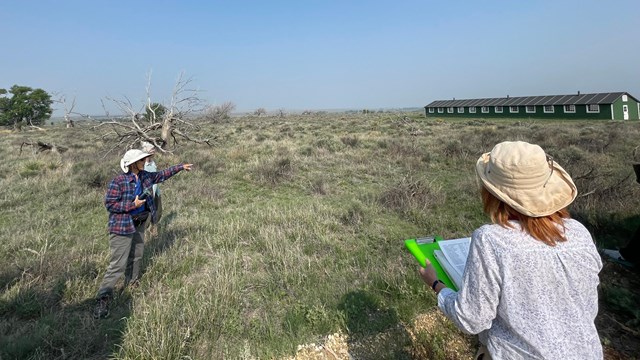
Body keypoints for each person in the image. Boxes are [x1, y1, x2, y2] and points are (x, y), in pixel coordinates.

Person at [418, 141, 603, 359]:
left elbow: (471, 319)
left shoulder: (491, 240)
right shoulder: (578, 232)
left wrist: (436, 284)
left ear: (493, 194)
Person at [93, 149, 193, 319]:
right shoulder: (118, 181)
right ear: (132, 164)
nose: (145, 162)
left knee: (137, 256)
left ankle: (132, 284)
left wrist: (180, 167)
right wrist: (132, 204)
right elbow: (110, 204)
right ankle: (103, 298)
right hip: (122, 226)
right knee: (118, 264)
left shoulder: (146, 176)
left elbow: (162, 175)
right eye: (141, 160)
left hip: (139, 223)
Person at [140, 141, 162, 231]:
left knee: (158, 212)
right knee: (148, 214)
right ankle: (144, 231)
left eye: (154, 149)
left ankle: (154, 229)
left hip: (156, 192)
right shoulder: (142, 165)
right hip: (147, 193)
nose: (154, 150)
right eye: (152, 149)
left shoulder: (152, 162)